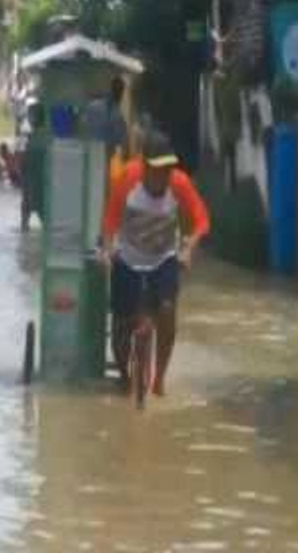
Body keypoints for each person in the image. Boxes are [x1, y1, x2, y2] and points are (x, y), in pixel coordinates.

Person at [100, 130, 210, 396]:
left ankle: (159, 379)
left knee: (167, 310)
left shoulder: (179, 183)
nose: (163, 176)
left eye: (168, 169)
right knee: (122, 323)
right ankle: (126, 377)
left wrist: (189, 247)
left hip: (163, 258)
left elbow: (202, 220)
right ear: (145, 166)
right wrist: (107, 249)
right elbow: (109, 222)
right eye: (158, 170)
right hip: (128, 256)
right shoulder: (127, 179)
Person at [20, 103, 48, 231]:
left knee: (28, 208)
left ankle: (25, 232)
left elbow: (24, 161)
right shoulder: (42, 136)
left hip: (34, 181)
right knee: (41, 213)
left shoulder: (34, 138)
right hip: (37, 181)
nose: (28, 119)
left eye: (30, 115)